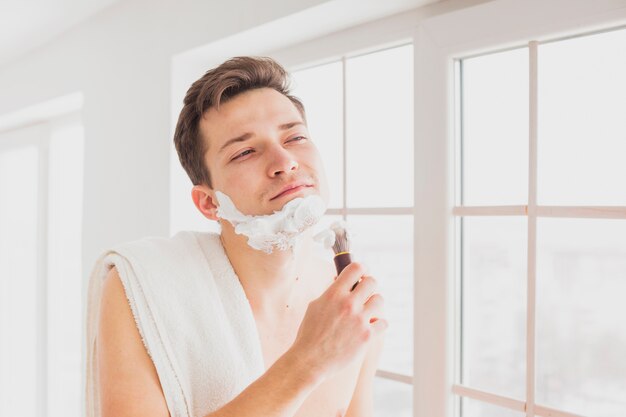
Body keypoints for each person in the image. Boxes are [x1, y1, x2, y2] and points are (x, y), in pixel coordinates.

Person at [92, 56, 387, 417]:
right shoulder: (141, 286)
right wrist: (307, 361)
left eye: (295, 136)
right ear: (208, 203)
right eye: (245, 151)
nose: (285, 161)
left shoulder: (348, 298)